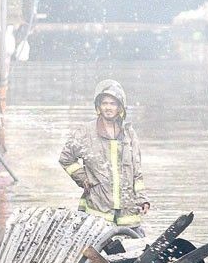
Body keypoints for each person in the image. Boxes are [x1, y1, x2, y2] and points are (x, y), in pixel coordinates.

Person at [59, 80, 150, 231]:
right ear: (98, 107)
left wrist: (142, 199)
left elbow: (137, 172)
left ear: (120, 107)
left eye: (113, 104)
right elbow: (66, 158)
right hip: (98, 209)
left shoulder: (129, 134)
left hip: (127, 212)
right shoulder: (86, 132)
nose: (108, 107)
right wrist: (83, 178)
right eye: (105, 103)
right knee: (96, 250)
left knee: (134, 246)